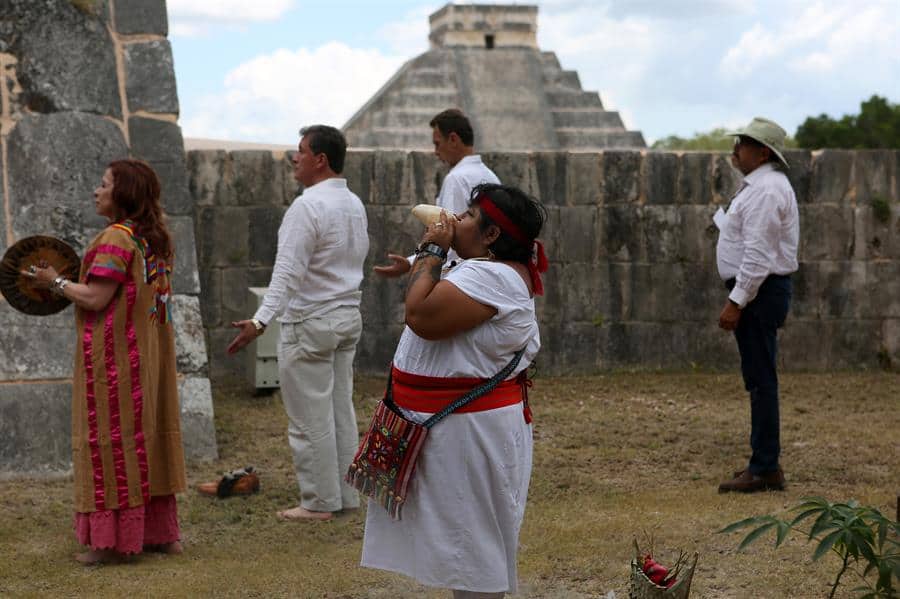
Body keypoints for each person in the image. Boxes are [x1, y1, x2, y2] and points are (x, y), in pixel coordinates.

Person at [361, 183, 548, 598]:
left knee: (472, 549)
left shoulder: (493, 276)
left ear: (491, 235)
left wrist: (432, 248)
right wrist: (430, 256)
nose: (455, 219)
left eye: (467, 216)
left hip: (469, 433)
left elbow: (420, 314)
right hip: (455, 428)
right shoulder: (483, 268)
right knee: (461, 548)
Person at [25, 159, 186, 563]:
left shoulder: (115, 238)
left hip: (117, 361)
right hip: (152, 358)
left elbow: (96, 298)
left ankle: (112, 542)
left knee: (111, 442)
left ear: (123, 193)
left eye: (103, 184)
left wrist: (53, 281)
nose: (96, 191)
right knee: (151, 438)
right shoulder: (154, 239)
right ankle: (161, 535)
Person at [226, 125, 369, 521]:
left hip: (311, 321)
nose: (295, 157)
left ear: (320, 160)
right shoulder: (353, 203)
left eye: (301, 150)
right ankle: (345, 496)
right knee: (339, 411)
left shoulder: (307, 207)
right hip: (345, 317)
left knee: (309, 418)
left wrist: (260, 321)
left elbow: (287, 274)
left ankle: (319, 501)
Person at [715, 117, 799, 494]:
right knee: (759, 378)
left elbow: (759, 255)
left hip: (759, 293)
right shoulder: (760, 186)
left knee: (762, 380)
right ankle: (764, 462)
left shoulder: (766, 190)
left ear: (762, 152)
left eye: (743, 143)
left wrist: (736, 301)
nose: (735, 149)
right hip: (758, 292)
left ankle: (765, 466)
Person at [374, 108, 500, 276]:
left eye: (437, 144)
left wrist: (419, 265)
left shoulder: (456, 179)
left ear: (453, 139)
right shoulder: (489, 175)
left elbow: (448, 236)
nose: (436, 151)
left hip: (461, 274)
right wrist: (410, 263)